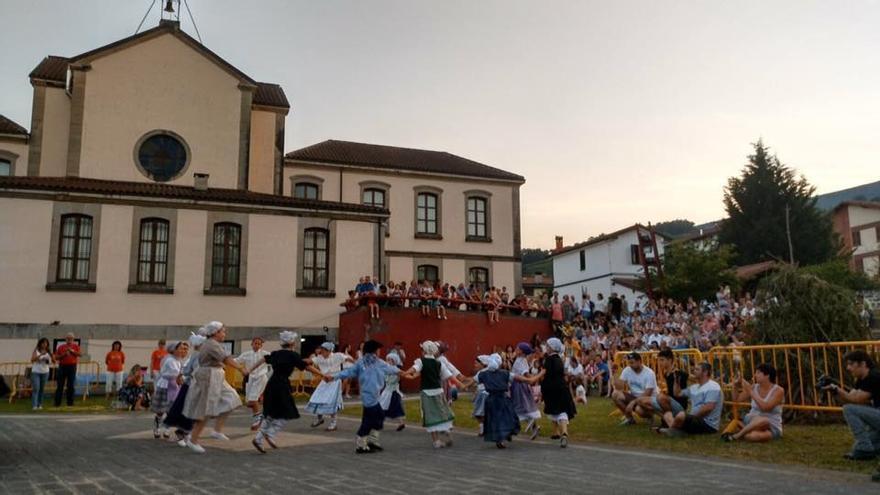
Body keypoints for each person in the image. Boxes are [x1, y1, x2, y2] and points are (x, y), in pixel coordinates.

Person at [248, 331, 325, 454]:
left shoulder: (276, 354)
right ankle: (270, 434)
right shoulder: (293, 355)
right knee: (288, 411)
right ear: (292, 343)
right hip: (282, 385)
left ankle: (258, 438)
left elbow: (262, 360)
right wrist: (323, 375)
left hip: (271, 384)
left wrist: (250, 369)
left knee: (270, 412)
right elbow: (306, 367)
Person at [182, 321, 248, 454]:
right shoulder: (211, 344)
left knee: (232, 399)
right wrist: (241, 369)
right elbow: (226, 359)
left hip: (217, 375)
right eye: (223, 331)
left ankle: (216, 431)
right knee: (205, 408)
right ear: (216, 332)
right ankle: (193, 439)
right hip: (209, 375)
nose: (225, 333)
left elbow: (225, 359)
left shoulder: (213, 344)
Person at [327, 340, 402, 453]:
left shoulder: (379, 362)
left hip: (375, 395)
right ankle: (361, 443)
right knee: (370, 420)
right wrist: (334, 377)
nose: (379, 352)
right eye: (378, 349)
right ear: (374, 351)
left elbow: (391, 369)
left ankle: (372, 440)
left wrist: (405, 373)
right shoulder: (361, 363)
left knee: (378, 416)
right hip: (368, 395)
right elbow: (348, 372)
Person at [822, 350, 880, 461]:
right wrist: (834, 391)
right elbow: (849, 399)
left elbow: (855, 399)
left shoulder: (874, 377)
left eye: (851, 364)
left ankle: (865, 448)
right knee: (860, 447)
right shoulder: (861, 379)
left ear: (862, 364)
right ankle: (866, 448)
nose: (848, 368)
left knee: (848, 410)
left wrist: (837, 389)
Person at [522, 337, 577, 447]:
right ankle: (563, 433)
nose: (546, 347)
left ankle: (556, 431)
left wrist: (533, 379)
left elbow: (543, 372)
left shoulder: (549, 360)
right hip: (562, 388)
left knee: (553, 409)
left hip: (551, 389)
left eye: (547, 346)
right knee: (562, 411)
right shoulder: (560, 360)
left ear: (552, 348)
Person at [401, 340, 457, 449]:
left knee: (430, 416)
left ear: (424, 351)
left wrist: (403, 373)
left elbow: (414, 370)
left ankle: (436, 441)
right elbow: (449, 376)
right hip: (438, 392)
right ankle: (446, 430)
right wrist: (461, 383)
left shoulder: (421, 362)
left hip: (426, 392)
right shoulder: (438, 363)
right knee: (442, 412)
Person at [164, 331, 206, 446]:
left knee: (192, 410)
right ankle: (184, 432)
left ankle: (185, 432)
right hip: (191, 386)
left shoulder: (199, 355)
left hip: (197, 386)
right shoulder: (196, 355)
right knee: (188, 410)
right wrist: (184, 374)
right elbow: (187, 370)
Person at [723, 363, 784, 442]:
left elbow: (765, 407)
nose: (755, 375)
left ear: (767, 375)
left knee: (753, 436)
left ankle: (740, 432)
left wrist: (750, 391)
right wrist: (735, 386)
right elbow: (737, 399)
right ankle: (739, 434)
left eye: (758, 373)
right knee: (763, 421)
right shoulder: (754, 387)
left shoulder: (778, 391)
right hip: (752, 419)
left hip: (771, 425)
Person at [659, 362, 723, 437]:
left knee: (681, 415)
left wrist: (691, 417)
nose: (694, 371)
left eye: (697, 369)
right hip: (694, 419)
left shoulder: (713, 386)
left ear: (705, 372)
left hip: (707, 424)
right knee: (667, 414)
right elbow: (677, 393)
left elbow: (709, 407)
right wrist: (676, 380)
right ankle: (677, 431)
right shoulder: (694, 387)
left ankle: (673, 430)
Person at [306, 342, 352, 431]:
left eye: (323, 350)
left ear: (329, 350)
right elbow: (309, 361)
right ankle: (320, 419)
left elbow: (349, 359)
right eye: (321, 349)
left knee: (331, 402)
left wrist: (358, 364)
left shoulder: (338, 356)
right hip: (324, 381)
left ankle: (333, 423)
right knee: (317, 399)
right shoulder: (319, 358)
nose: (321, 351)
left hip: (335, 381)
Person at [477, 353, 520, 449]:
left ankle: (501, 437)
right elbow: (520, 379)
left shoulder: (483, 374)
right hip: (502, 399)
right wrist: (532, 379)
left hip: (491, 400)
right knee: (507, 417)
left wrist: (462, 384)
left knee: (495, 420)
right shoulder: (505, 373)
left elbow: (471, 381)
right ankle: (503, 437)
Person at [636, 349, 687, 423]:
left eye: (662, 360)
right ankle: (666, 419)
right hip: (669, 403)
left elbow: (678, 393)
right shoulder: (666, 373)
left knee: (660, 397)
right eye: (659, 360)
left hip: (680, 406)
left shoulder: (679, 373)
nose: (659, 363)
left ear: (669, 360)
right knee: (640, 400)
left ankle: (672, 420)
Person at [151, 341, 189, 439]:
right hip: (165, 385)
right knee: (161, 410)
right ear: (174, 350)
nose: (182, 351)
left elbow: (180, 374)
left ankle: (167, 428)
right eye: (180, 348)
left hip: (175, 386)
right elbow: (172, 373)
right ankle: (158, 426)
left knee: (171, 409)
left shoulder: (178, 360)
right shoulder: (169, 360)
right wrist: (180, 377)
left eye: (183, 349)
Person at [612, 351, 657, 425]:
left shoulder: (649, 373)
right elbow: (619, 387)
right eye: (629, 363)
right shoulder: (627, 370)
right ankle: (630, 419)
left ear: (639, 361)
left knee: (639, 410)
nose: (630, 365)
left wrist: (633, 402)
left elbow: (647, 393)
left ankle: (650, 415)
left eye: (632, 363)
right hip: (635, 397)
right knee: (615, 394)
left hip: (648, 399)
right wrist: (615, 373)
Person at [235, 337, 270, 431]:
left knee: (252, 400)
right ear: (252, 344)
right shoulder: (246, 354)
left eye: (259, 344)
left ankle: (259, 418)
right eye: (255, 343)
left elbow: (274, 360)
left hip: (261, 377)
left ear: (261, 345)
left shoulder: (265, 354)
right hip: (250, 379)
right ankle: (259, 416)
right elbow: (236, 361)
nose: (257, 345)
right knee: (249, 403)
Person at [379, 352, 406, 431]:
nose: (388, 362)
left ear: (394, 361)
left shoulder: (396, 370)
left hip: (393, 392)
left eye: (390, 360)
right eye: (387, 360)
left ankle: (401, 423)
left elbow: (395, 380)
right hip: (386, 392)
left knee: (395, 408)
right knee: (382, 407)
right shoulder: (386, 370)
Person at [53, 333, 81, 407]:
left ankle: (70, 403)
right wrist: (64, 354)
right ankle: (57, 403)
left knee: (71, 385)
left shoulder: (76, 346)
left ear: (73, 339)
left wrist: (72, 351)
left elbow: (79, 354)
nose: (69, 340)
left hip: (72, 366)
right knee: (60, 385)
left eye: (71, 338)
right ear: (65, 339)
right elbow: (56, 357)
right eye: (68, 338)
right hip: (62, 366)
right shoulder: (61, 347)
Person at [30, 337, 54, 410]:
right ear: (40, 344)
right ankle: (34, 405)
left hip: (45, 372)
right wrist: (40, 355)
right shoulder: (36, 351)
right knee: (36, 388)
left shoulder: (49, 352)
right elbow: (32, 360)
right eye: (43, 343)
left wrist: (49, 359)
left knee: (42, 389)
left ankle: (39, 404)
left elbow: (54, 361)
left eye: (46, 343)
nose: (44, 344)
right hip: (36, 372)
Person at [471, 355, 491, 436]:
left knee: (479, 412)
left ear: (483, 364)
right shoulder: (488, 371)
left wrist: (464, 385)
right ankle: (484, 429)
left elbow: (473, 381)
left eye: (476, 363)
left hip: (482, 394)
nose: (475, 365)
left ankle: (482, 430)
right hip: (485, 393)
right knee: (483, 413)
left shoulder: (481, 372)